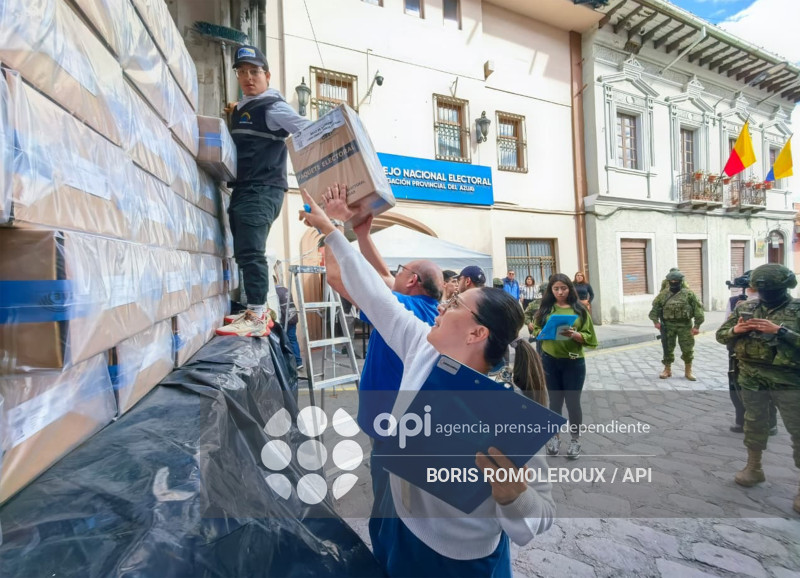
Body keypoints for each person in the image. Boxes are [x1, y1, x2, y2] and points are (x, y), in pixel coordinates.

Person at [300, 187, 554, 577]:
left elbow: (539, 519)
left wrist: (513, 495)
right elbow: (372, 294)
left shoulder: (508, 408)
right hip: (404, 531)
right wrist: (334, 232)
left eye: (454, 304)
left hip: (464, 561)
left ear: (476, 334)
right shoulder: (422, 345)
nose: (443, 306)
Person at [319, 185, 443, 552]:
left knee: (391, 509)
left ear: (412, 282)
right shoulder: (423, 311)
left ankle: (392, 557)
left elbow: (338, 278)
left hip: (394, 432)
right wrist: (363, 235)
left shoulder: (399, 308)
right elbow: (385, 278)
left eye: (403, 269)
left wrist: (332, 227)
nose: (395, 272)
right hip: (411, 426)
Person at [216, 45, 311, 337]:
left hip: (261, 189)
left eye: (254, 71)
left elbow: (306, 129)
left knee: (252, 252)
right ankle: (254, 310)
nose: (247, 77)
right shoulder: (246, 107)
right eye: (241, 72)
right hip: (246, 189)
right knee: (245, 252)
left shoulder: (273, 107)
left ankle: (257, 315)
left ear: (267, 75)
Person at [715, 264, 800, 514]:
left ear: (785, 287)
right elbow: (721, 335)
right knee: (754, 422)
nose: (766, 294)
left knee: (797, 429)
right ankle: (754, 468)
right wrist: (735, 330)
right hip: (751, 376)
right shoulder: (746, 307)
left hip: (789, 379)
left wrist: (781, 332)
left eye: (771, 290)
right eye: (761, 289)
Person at [531, 274, 598, 459]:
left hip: (574, 362)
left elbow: (591, 337)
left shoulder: (580, 310)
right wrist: (541, 333)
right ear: (551, 291)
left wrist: (578, 336)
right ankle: (554, 436)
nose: (560, 292)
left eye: (564, 288)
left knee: (573, 402)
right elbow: (536, 330)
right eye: (556, 289)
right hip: (549, 361)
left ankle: (575, 440)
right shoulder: (545, 309)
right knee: (554, 402)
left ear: (570, 288)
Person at [726, 282, 778, 435]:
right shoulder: (735, 301)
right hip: (740, 353)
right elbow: (724, 328)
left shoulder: (778, 304)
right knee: (737, 389)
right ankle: (741, 421)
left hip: (768, 357)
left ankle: (770, 424)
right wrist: (734, 329)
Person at [648, 269, 704, 381]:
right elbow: (654, 310)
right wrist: (656, 322)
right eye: (671, 280)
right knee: (667, 348)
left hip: (685, 326)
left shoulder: (689, 294)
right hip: (668, 326)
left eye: (676, 280)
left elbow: (698, 310)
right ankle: (667, 370)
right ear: (668, 281)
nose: (674, 282)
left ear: (680, 281)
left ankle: (688, 371)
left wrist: (697, 326)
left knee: (687, 349)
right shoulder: (663, 294)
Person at [275, 278, 302, 370]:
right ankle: (298, 362)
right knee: (293, 340)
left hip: (284, 320)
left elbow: (277, 309)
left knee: (283, 342)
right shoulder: (286, 289)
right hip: (293, 318)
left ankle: (288, 365)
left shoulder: (275, 292)